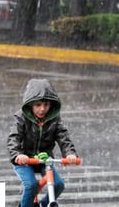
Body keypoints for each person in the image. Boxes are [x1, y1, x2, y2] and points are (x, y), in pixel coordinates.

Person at [7, 78, 78, 207]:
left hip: (44, 159)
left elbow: (63, 137)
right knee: (31, 185)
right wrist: (17, 154)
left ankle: (43, 205)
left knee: (58, 185)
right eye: (38, 105)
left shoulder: (54, 119)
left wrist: (70, 153)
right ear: (30, 105)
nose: (42, 109)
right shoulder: (21, 118)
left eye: (46, 105)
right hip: (24, 160)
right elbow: (14, 138)